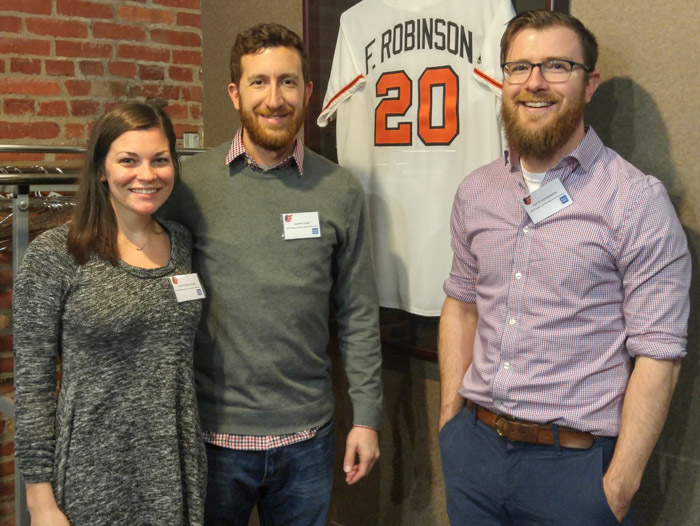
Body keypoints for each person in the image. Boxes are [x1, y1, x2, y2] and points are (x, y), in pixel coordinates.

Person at [438, 10, 690, 526]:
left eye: (557, 66)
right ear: (503, 79)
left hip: (574, 472)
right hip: (475, 453)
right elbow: (462, 305)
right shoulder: (477, 191)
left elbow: (659, 355)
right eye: (519, 67)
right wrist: (449, 423)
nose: (535, 82)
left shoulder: (635, 201)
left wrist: (617, 487)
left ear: (589, 82)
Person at [158, 23, 383, 526]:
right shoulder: (188, 185)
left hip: (307, 439)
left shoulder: (340, 190)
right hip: (213, 438)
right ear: (236, 93)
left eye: (287, 82)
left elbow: (358, 313)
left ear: (307, 92)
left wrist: (366, 417)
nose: (274, 99)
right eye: (259, 82)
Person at [13, 102, 207, 525]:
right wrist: (39, 502)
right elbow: (33, 387)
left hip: (174, 466)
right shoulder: (56, 255)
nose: (147, 174)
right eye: (128, 161)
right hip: (91, 473)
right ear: (102, 170)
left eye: (160, 160)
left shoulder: (182, 243)